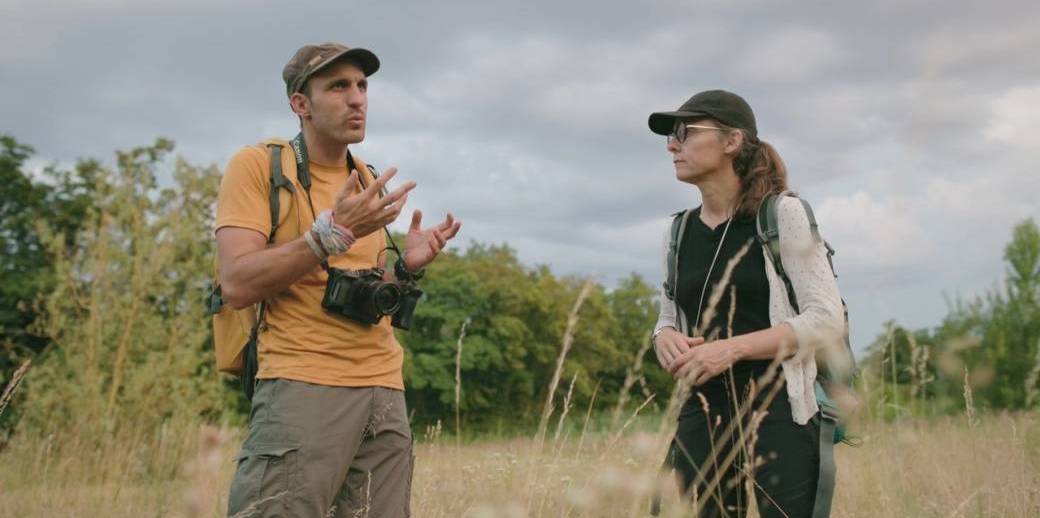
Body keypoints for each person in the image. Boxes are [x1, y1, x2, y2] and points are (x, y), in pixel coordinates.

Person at [216, 42, 461, 517]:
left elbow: (360, 289)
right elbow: (238, 282)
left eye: (362, 85)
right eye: (338, 86)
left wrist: (407, 266)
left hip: (384, 391)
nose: (357, 99)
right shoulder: (259, 166)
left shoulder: (367, 180)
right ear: (300, 104)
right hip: (303, 384)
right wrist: (329, 236)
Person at [648, 90, 844, 517]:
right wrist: (662, 336)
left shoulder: (783, 215)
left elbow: (828, 319)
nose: (671, 144)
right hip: (704, 413)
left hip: (780, 410)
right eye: (670, 136)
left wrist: (732, 348)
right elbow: (668, 316)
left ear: (732, 141)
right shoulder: (677, 232)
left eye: (684, 131)